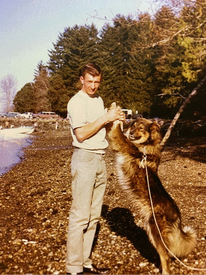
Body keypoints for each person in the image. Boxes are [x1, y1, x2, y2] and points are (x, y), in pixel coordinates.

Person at [66, 63, 125, 275]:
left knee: (93, 216)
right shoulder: (76, 102)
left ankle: (85, 264)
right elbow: (81, 134)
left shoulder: (98, 100)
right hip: (84, 158)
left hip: (100, 158)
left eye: (97, 82)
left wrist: (115, 120)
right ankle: (73, 269)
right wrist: (104, 118)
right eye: (89, 82)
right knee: (80, 215)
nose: (93, 86)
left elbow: (102, 128)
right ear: (81, 80)